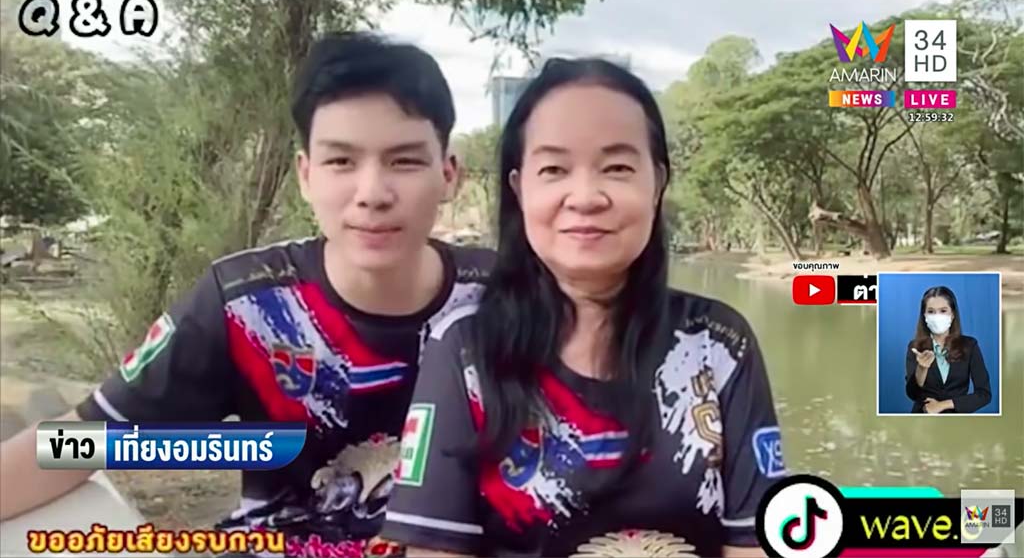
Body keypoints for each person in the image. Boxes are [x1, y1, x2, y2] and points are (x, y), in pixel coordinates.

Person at [0, 32, 494, 555]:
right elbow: (85, 441)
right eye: (341, 162)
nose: (372, 194)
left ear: (449, 175)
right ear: (305, 176)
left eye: (404, 162)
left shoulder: (504, 299)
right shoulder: (245, 303)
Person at [380, 58, 783, 557]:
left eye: (617, 168)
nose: (586, 197)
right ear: (519, 189)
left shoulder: (718, 344)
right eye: (554, 169)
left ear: (657, 184)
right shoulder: (465, 350)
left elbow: (754, 543)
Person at [906, 286, 991, 414]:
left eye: (943, 311)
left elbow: (984, 394)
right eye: (931, 311)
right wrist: (921, 369)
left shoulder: (969, 346)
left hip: (956, 421)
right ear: (924, 316)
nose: (937, 316)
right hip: (923, 419)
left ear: (952, 314)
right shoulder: (915, 347)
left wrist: (943, 405)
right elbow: (912, 394)